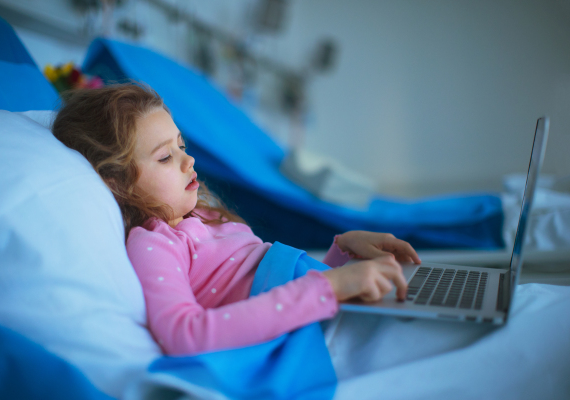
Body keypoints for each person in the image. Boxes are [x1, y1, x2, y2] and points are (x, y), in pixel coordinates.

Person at [52, 83, 421, 356]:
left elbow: (270, 285)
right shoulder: (157, 243)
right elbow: (185, 335)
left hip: (324, 312)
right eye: (165, 157)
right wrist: (330, 287)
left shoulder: (205, 216)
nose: (188, 160)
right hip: (311, 337)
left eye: (181, 145)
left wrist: (342, 255)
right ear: (115, 182)